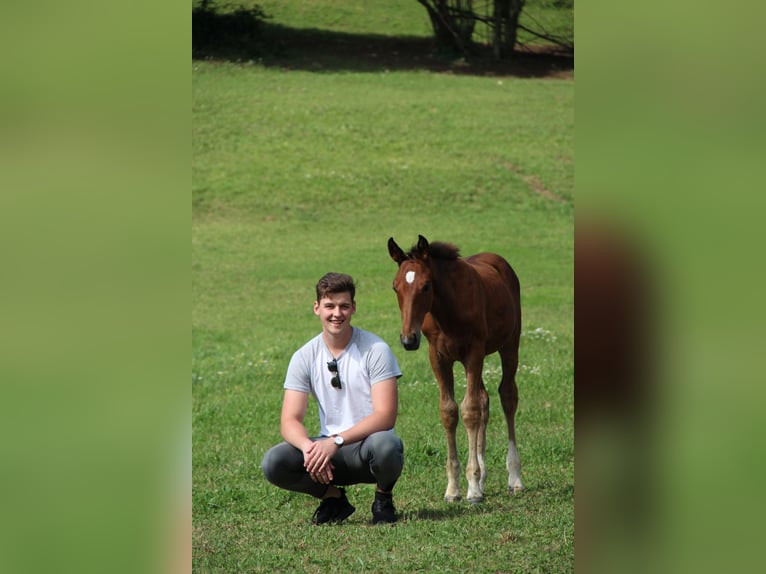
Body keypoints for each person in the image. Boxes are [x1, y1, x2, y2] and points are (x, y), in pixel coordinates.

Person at [261, 272, 404, 525]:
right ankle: (333, 498)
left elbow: (385, 415)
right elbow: (290, 420)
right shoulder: (304, 356)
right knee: (275, 462)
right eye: (329, 306)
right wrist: (309, 448)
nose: (337, 313)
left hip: (366, 449)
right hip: (328, 455)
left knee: (387, 445)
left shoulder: (376, 350)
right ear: (317, 308)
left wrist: (336, 441)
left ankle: (383, 498)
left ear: (353, 308)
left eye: (344, 306)